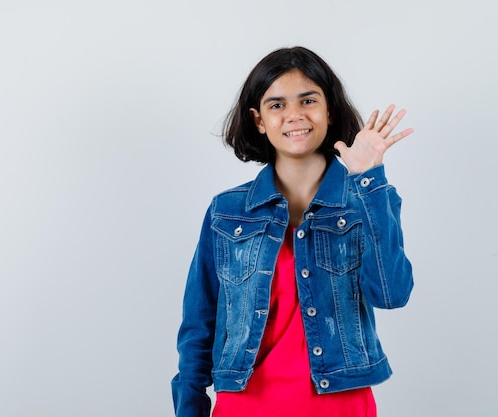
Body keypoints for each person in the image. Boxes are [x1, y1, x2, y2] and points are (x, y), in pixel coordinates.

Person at [171, 46, 414, 417]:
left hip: (340, 405)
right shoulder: (227, 211)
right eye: (277, 105)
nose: (295, 116)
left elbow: (392, 294)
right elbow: (198, 326)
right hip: (244, 406)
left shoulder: (366, 199)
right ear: (258, 120)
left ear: (329, 109)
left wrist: (368, 179)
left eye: (308, 100)